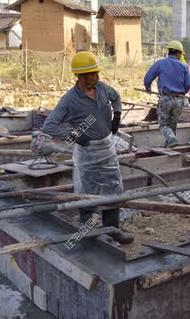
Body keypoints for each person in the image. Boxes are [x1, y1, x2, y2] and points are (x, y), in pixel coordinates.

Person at [42, 51, 133, 244]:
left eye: (97, 73)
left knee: (113, 189)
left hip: (107, 149)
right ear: (81, 77)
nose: (97, 77)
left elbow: (116, 97)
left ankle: (112, 230)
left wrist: (116, 116)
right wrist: (73, 136)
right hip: (88, 154)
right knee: (86, 193)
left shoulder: (102, 89)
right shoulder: (69, 100)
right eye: (92, 74)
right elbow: (50, 125)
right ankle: (87, 233)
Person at [144, 40, 190, 147]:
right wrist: (182, 92)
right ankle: (170, 145)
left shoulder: (160, 63)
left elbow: (147, 78)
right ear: (178, 53)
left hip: (166, 99)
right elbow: (188, 84)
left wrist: (148, 88)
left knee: (163, 125)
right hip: (179, 100)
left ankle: (171, 141)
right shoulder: (183, 66)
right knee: (172, 125)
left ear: (169, 51)